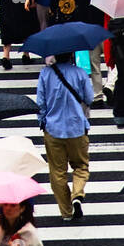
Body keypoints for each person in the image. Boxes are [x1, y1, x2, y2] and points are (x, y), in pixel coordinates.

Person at [37, 51, 92, 222]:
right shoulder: (80, 73)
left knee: (57, 171)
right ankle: (77, 195)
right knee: (81, 165)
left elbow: (41, 102)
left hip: (53, 129)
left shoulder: (45, 73)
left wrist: (42, 121)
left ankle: (66, 212)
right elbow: (89, 98)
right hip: (76, 127)